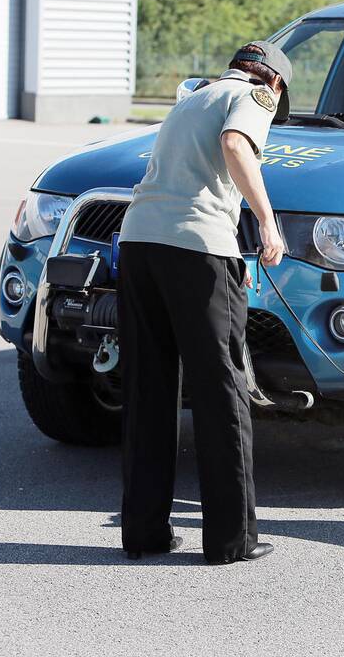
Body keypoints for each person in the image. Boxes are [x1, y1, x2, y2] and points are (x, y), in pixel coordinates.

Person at [116, 41, 291, 564]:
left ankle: (145, 533)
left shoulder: (193, 96)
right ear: (274, 84)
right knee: (223, 391)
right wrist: (266, 220)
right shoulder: (256, 97)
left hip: (139, 244)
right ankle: (232, 540)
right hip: (197, 250)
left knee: (148, 389)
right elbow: (236, 146)